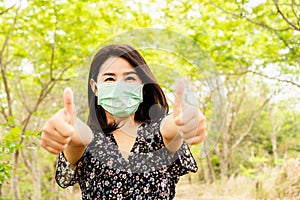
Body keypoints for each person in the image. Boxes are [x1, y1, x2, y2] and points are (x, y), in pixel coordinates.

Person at [40, 44, 207, 199]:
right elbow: (77, 134)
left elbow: (172, 126)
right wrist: (63, 124)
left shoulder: (160, 135)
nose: (119, 86)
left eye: (129, 78)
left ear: (142, 85)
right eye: (110, 79)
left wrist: (189, 119)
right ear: (95, 87)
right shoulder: (88, 140)